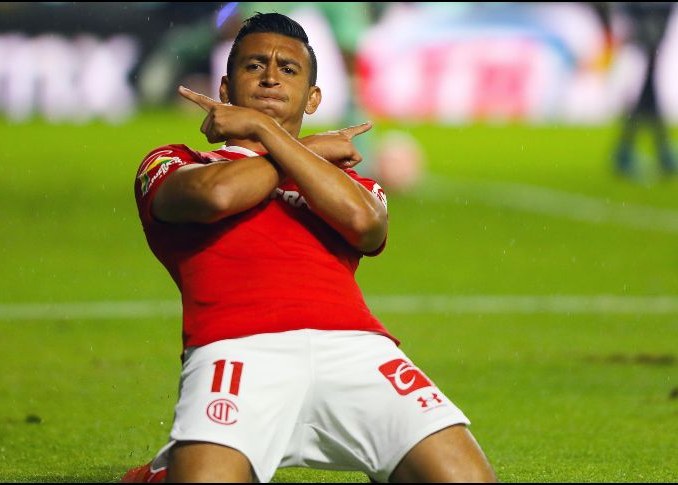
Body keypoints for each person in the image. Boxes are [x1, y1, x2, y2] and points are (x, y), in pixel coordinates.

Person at [123, 13, 496, 483]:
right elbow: (216, 196)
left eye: (289, 69)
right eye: (255, 65)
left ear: (314, 97)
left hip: (357, 351)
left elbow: (366, 224)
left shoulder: (344, 182)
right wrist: (307, 148)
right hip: (236, 350)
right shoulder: (177, 161)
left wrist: (267, 134)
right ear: (224, 87)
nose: (271, 76)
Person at [612, 2, 678, 177]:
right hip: (646, 34)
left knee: (647, 91)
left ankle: (627, 150)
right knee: (647, 91)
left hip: (650, 33)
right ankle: (632, 151)